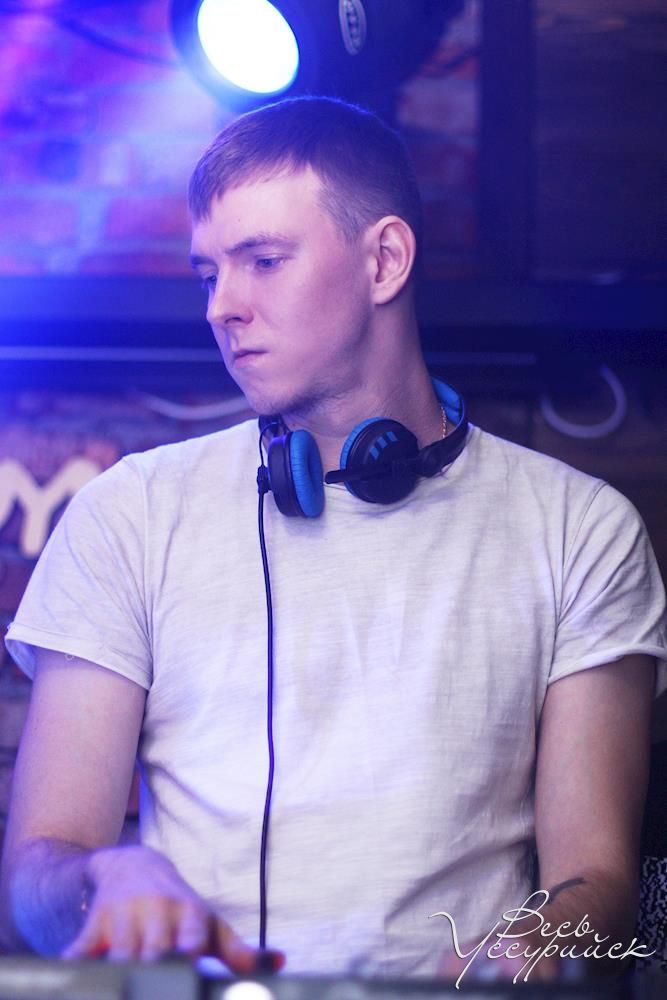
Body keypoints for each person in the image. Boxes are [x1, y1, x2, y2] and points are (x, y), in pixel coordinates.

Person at [1, 96, 666, 983]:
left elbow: (601, 883)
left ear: (384, 260)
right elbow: (34, 876)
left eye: (263, 262)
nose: (222, 307)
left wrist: (534, 951)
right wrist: (102, 878)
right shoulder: (129, 514)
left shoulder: (580, 530)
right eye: (208, 274)